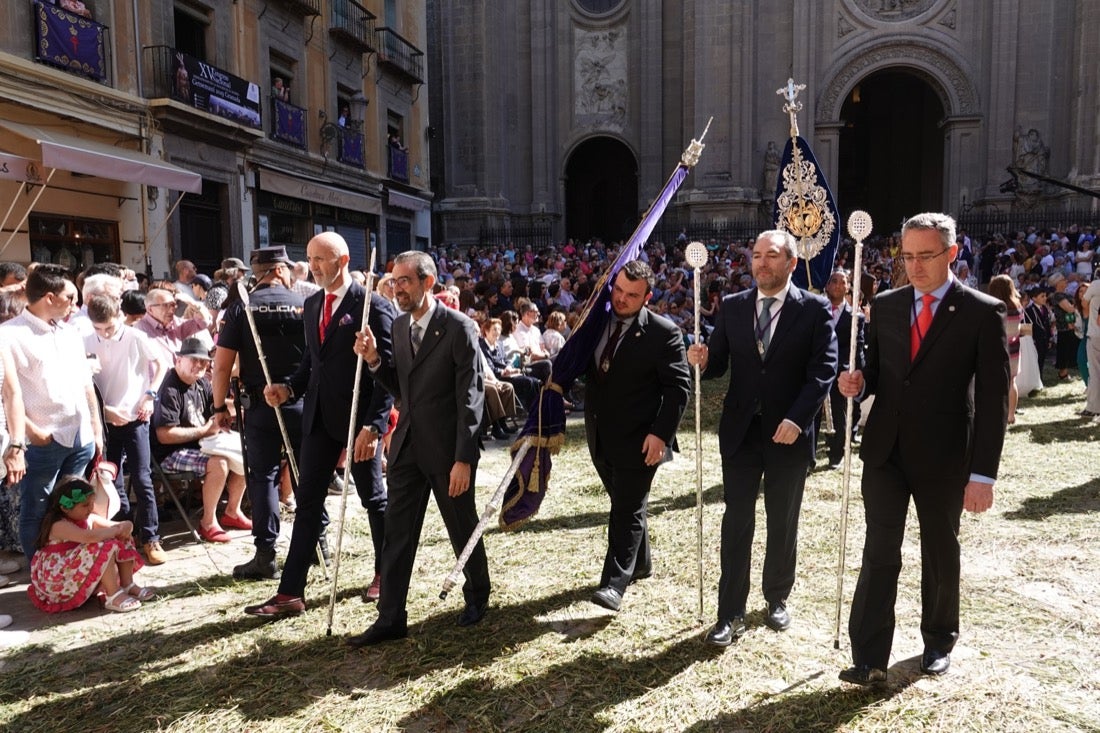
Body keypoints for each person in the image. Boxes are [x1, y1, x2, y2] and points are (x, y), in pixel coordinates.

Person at [837, 212, 1009, 686]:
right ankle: (869, 656)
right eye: (907, 256)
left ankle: (938, 640)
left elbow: (993, 401)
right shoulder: (888, 306)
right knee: (879, 551)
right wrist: (857, 381)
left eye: (925, 256)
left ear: (952, 254)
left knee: (939, 550)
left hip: (945, 455)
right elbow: (877, 370)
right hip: (886, 452)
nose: (914, 266)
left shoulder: (980, 311)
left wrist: (983, 475)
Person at [687, 229, 836, 646]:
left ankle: (776, 598)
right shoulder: (733, 307)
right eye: (756, 256)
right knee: (737, 521)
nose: (761, 264)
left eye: (771, 256)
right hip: (741, 432)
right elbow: (717, 364)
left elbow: (822, 370)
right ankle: (730, 612)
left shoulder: (814, 309)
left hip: (788, 433)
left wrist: (797, 418)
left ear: (790, 262)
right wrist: (701, 359)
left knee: (781, 519)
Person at [243, 233, 395, 617]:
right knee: (308, 502)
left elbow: (389, 374)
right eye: (310, 258)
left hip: (358, 421)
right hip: (319, 420)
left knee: (372, 497)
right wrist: (288, 387)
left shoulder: (372, 306)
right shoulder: (311, 304)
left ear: (342, 260)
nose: (313, 265)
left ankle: (386, 571)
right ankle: (290, 592)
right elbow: (312, 364)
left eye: (321, 259)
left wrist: (374, 426)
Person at [349, 249, 488, 646]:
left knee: (461, 526)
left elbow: (470, 399)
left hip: (448, 451)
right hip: (408, 447)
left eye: (405, 281)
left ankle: (478, 594)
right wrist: (375, 360)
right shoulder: (397, 327)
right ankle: (390, 617)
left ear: (428, 282)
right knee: (397, 533)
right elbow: (401, 389)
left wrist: (463, 458)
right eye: (393, 281)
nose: (397, 289)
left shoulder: (460, 328)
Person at [583, 260, 690, 612]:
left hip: (642, 440)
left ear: (647, 297)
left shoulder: (664, 333)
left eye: (632, 295)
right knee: (627, 503)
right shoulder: (596, 322)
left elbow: (678, 389)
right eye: (618, 291)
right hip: (600, 436)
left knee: (626, 510)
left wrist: (661, 435)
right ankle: (640, 562)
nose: (622, 299)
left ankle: (613, 584)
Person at [211, 247, 306, 580]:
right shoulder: (304, 304)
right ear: (280, 270)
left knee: (263, 476)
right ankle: (315, 543)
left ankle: (266, 554)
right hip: (300, 400)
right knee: (305, 474)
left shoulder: (243, 307)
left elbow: (221, 366)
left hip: (260, 404)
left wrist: (218, 405)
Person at [3, 264, 102, 562]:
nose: (76, 305)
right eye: (70, 298)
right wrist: (32, 433)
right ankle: (40, 571)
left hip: (80, 436)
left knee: (76, 506)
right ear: (49, 297)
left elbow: (86, 384)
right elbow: (6, 394)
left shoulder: (71, 332)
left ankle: (72, 566)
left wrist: (96, 430)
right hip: (44, 441)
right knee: (36, 508)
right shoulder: (9, 335)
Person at [84, 295, 169, 565]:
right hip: (106, 419)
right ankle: (125, 533)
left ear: (119, 315)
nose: (105, 334)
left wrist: (149, 395)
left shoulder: (135, 337)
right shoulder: (86, 340)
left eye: (108, 327)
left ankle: (151, 537)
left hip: (135, 416)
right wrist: (105, 411)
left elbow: (162, 364)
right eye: (99, 329)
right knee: (111, 481)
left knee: (143, 479)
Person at [153, 337, 247, 543]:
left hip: (200, 446)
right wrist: (205, 431)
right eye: (193, 360)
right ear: (178, 360)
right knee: (218, 463)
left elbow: (219, 404)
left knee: (246, 452)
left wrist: (244, 407)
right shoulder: (169, 387)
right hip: (169, 453)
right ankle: (208, 523)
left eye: (204, 362)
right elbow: (164, 435)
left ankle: (232, 511)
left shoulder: (202, 383)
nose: (199, 365)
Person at [28, 476, 154, 614]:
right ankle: (113, 595)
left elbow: (119, 526)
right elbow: (89, 537)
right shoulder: (58, 525)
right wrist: (116, 530)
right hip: (59, 578)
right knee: (106, 545)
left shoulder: (89, 518)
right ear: (65, 508)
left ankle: (127, 584)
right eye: (84, 505)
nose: (90, 509)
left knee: (122, 537)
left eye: (91, 503)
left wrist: (126, 527)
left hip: (74, 570)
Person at [820, 270, 865, 468]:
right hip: (817, 371)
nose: (838, 285)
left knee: (839, 414)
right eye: (834, 281)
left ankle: (836, 454)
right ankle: (809, 456)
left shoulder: (856, 316)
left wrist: (852, 371)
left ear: (848, 287)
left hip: (841, 372)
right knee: (813, 414)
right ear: (827, 286)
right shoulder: (816, 311)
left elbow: (857, 345)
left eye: (843, 282)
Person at [988, 275, 1023, 423]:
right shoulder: (1018, 307)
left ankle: (995, 412)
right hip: (1014, 348)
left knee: (993, 382)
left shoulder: (992, 307)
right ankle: (1011, 415)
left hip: (995, 348)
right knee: (1011, 382)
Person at [1081, 273, 1100, 417]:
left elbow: (1084, 302)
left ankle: (1093, 408)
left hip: (1095, 334)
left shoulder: (1095, 285)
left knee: (1094, 372)